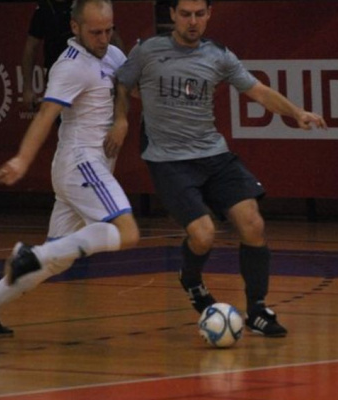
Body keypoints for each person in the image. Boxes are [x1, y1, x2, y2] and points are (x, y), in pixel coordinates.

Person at [110, 0, 326, 337]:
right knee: (203, 234)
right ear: (173, 15)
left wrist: (296, 113)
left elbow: (258, 91)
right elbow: (122, 84)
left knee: (253, 222)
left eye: (199, 14)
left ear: (209, 14)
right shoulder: (148, 50)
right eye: (185, 14)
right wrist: (121, 118)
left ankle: (257, 310)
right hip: (168, 160)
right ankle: (191, 279)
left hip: (212, 154)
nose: (192, 21)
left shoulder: (219, 55)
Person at [0, 0, 139, 336]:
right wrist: (22, 160)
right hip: (82, 164)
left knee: (57, 259)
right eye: (96, 32)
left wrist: (121, 118)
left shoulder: (113, 54)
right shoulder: (70, 65)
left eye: (108, 30)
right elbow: (45, 115)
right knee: (127, 232)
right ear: (75, 27)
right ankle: (30, 254)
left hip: (86, 169)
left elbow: (126, 88)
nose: (104, 39)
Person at [21, 0, 74, 111]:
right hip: (57, 79)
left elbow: (109, 38)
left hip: (86, 76)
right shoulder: (44, 8)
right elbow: (31, 48)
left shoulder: (85, 5)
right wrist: (27, 88)